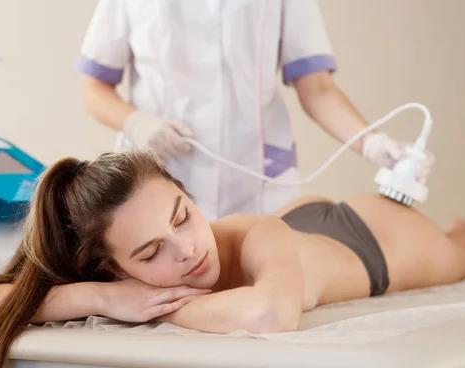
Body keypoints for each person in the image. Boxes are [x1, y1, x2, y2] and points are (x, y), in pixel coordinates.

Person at [0, 151, 465, 368]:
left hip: (377, 240)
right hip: (305, 229)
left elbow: (270, 313)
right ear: (114, 268)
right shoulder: (114, 285)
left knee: (461, 245)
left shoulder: (255, 233)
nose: (187, 251)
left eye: (182, 214)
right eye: (152, 251)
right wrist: (103, 300)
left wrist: (158, 301)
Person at [75, 0, 433, 225]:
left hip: (256, 184)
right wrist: (137, 122)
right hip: (160, 177)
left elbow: (318, 90)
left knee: (261, 281)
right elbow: (94, 89)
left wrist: (372, 144)